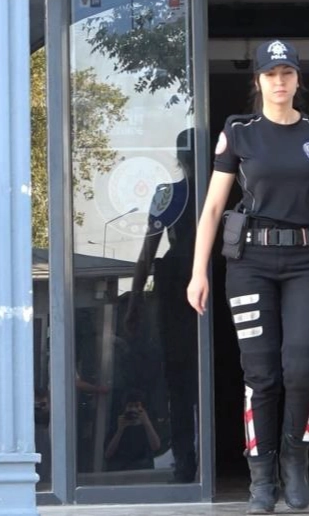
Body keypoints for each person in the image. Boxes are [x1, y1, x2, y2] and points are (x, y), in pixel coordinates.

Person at [187, 39, 309, 514]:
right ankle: (261, 478)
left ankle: (295, 460)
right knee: (260, 373)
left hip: (307, 263)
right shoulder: (239, 131)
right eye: (270, 74)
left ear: (298, 79)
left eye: (287, 73)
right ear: (257, 81)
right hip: (250, 264)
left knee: (302, 366)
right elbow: (213, 207)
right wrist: (198, 271)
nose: (279, 81)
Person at [125, 132, 199, 483]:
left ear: (179, 158)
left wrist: (135, 299)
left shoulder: (169, 194)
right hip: (196, 282)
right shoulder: (226, 191)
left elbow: (147, 251)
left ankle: (186, 462)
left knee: (180, 379)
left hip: (176, 285)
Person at [104, 389, 162, 471]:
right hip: (121, 470)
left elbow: (156, 447)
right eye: (130, 406)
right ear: (125, 408)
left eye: (137, 406)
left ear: (143, 409)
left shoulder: (149, 425)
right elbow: (107, 454)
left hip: (144, 470)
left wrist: (147, 423)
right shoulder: (117, 425)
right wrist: (120, 430)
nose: (133, 409)